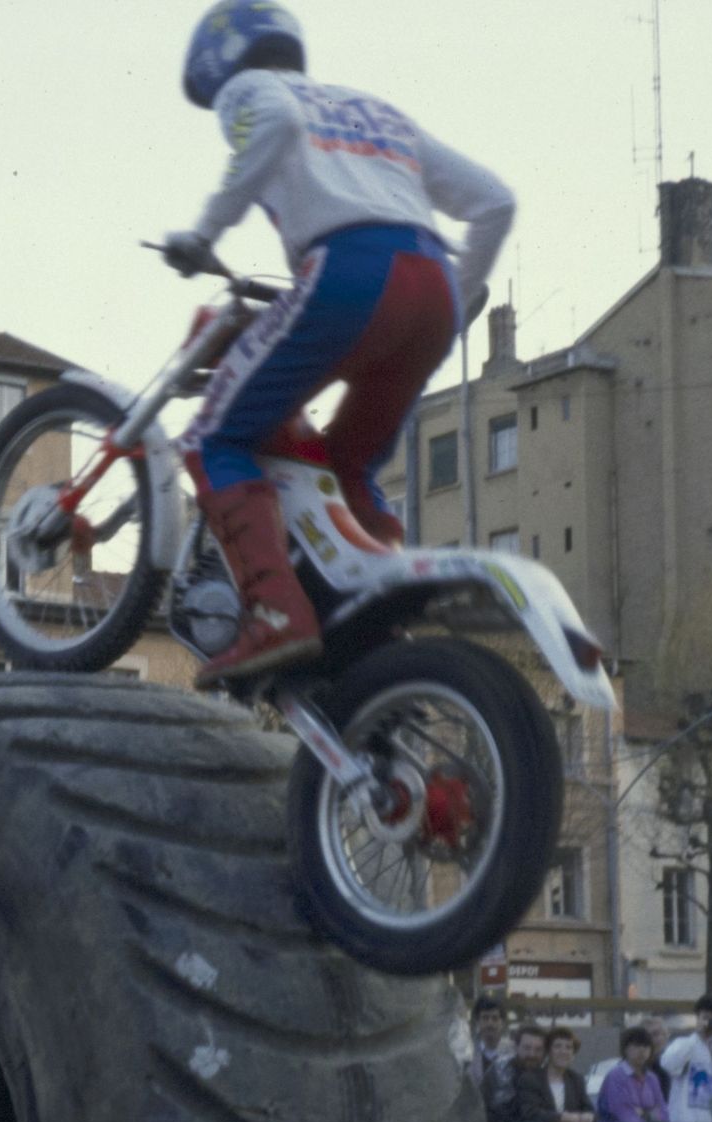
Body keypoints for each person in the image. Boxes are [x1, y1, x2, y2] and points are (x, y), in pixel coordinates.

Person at [161, 2, 514, 682]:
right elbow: (495, 202)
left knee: (214, 437)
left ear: (222, 63)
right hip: (432, 287)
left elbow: (278, 124)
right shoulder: (372, 111)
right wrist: (457, 304)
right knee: (349, 464)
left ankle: (273, 614)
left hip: (348, 272)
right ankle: (371, 609)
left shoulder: (250, 90)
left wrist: (204, 234)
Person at [466, 996, 509, 1101]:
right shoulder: (467, 1053)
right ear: (477, 1022)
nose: (490, 1023)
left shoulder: (512, 1052)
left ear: (502, 1023)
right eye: (485, 1018)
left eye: (495, 1018)